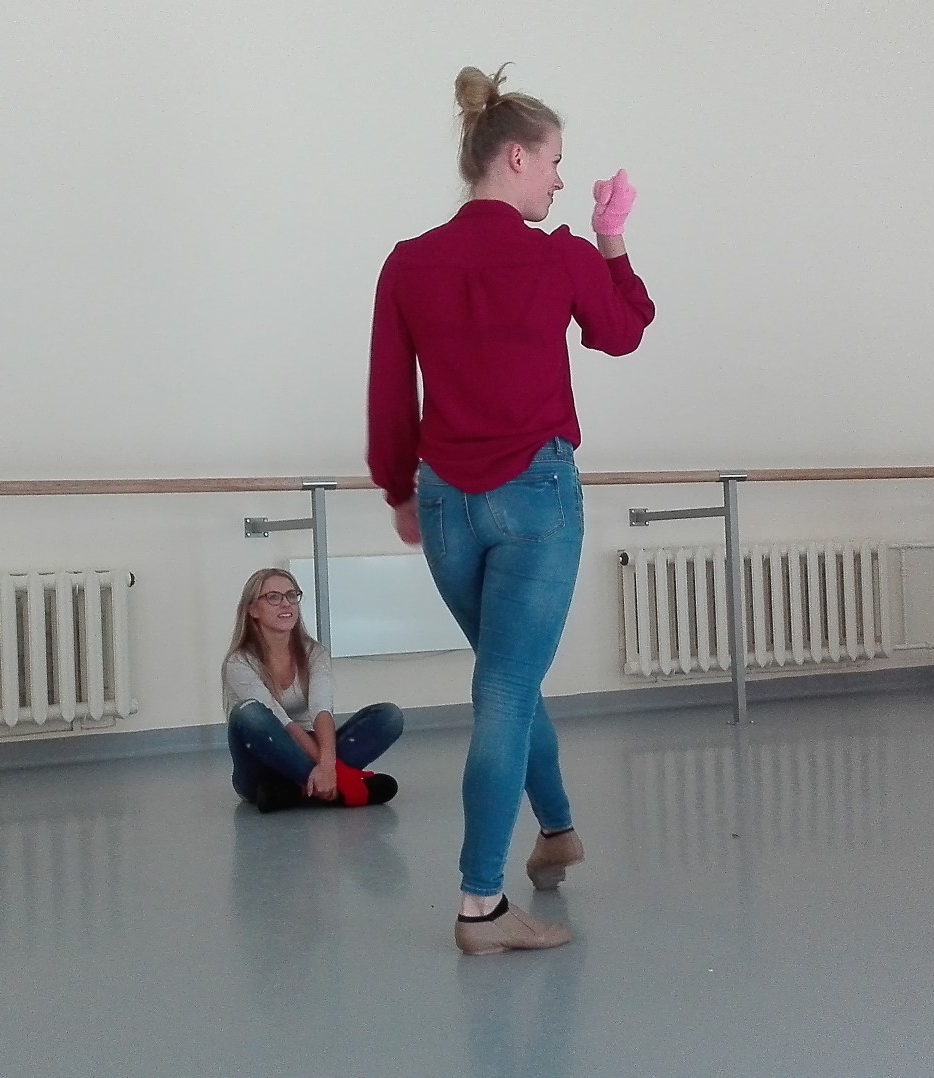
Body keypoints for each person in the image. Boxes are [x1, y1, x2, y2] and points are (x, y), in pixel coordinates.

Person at [367, 64, 656, 954]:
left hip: (446, 504)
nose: (562, 181)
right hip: (534, 497)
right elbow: (623, 330)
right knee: (504, 689)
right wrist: (612, 239)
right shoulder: (557, 255)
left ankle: (558, 828)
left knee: (508, 681)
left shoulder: (409, 262)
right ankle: (481, 906)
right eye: (557, 161)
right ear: (518, 158)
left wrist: (398, 488)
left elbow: (390, 393)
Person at [222, 568, 403, 812]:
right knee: (249, 713)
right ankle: (339, 785)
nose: (286, 603)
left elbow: (322, 710)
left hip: (310, 749)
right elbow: (282, 721)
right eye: (273, 597)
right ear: (253, 609)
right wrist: (330, 768)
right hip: (260, 765)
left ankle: (295, 788)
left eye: (291, 595)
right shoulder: (239, 663)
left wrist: (327, 764)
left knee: (389, 716)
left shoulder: (315, 653)